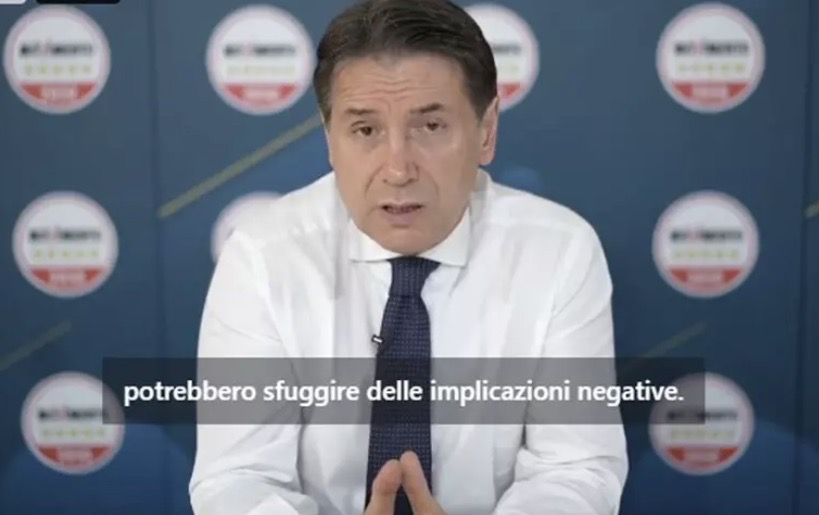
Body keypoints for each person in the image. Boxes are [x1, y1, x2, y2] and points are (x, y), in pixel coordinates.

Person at [188, 0, 628, 513]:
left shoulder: (558, 251)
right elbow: (237, 478)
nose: (398, 169)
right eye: (365, 130)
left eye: (431, 127)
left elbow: (575, 468)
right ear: (330, 138)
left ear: (486, 130)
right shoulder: (263, 256)